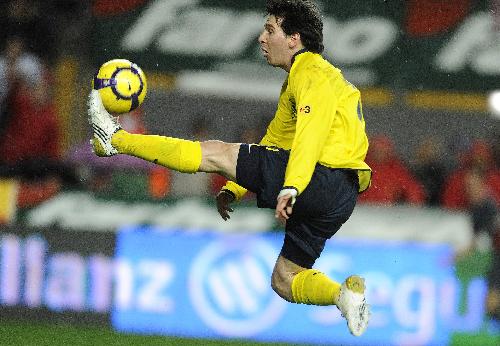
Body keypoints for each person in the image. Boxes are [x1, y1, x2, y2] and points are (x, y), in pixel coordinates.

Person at [88, 0, 371, 336]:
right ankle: (343, 297)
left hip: (318, 177)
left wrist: (292, 185)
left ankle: (114, 139)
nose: (261, 38)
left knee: (215, 153)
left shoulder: (311, 73)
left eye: (270, 30)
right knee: (284, 279)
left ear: (294, 38)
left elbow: (312, 132)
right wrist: (236, 187)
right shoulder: (309, 78)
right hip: (341, 196)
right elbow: (274, 142)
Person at [359, 135, 426, 206]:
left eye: (383, 150)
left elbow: (413, 190)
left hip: (387, 212)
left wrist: (414, 203)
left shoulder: (396, 169)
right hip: (362, 210)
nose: (380, 153)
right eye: (377, 150)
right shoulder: (361, 166)